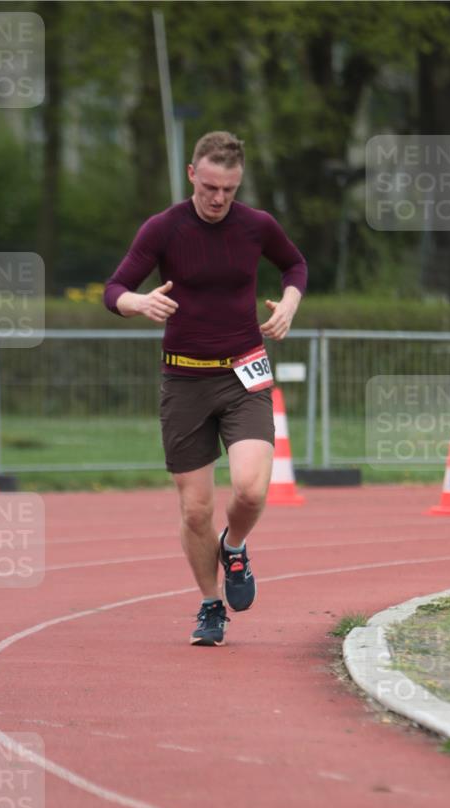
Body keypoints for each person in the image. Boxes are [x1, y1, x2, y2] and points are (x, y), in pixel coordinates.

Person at [104, 131, 307, 646]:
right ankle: (210, 605)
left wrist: (288, 304)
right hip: (185, 380)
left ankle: (234, 545)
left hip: (245, 374)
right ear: (192, 174)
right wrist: (139, 303)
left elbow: (295, 264)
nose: (218, 199)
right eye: (210, 187)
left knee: (250, 489)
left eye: (229, 190)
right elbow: (115, 290)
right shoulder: (164, 228)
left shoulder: (256, 226)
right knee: (195, 508)